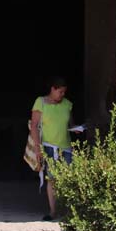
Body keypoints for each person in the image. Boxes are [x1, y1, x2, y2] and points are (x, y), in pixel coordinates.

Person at [29, 75, 74, 221]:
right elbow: (34, 126)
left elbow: (70, 125)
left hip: (66, 147)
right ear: (52, 89)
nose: (62, 95)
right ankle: (53, 211)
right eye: (60, 91)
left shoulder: (67, 104)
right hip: (49, 146)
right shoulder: (40, 102)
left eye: (64, 92)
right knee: (52, 179)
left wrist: (76, 129)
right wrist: (37, 148)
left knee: (67, 179)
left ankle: (67, 211)